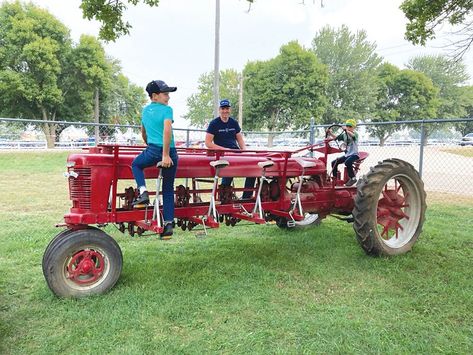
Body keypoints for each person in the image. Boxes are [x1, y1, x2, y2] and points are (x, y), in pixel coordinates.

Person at [131, 80, 179, 238]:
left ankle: (143, 193)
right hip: (169, 151)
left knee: (136, 165)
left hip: (153, 150)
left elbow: (143, 132)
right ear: (155, 96)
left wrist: (149, 144)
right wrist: (165, 154)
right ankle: (168, 225)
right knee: (167, 187)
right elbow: (167, 130)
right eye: (165, 94)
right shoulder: (167, 110)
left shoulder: (145, 111)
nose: (168, 97)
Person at [205, 99, 255, 199]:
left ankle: (246, 197)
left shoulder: (234, 123)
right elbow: (208, 143)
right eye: (223, 108)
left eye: (227, 108)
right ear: (220, 109)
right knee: (227, 173)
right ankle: (225, 197)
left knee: (252, 171)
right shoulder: (214, 124)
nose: (225, 111)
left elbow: (240, 140)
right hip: (223, 155)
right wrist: (223, 149)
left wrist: (244, 151)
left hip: (235, 153)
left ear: (230, 110)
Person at [326, 118, 359, 187]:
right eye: (347, 126)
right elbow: (336, 137)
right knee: (334, 162)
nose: (348, 127)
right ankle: (335, 179)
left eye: (350, 126)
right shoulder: (344, 135)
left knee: (348, 162)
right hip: (347, 155)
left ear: (354, 127)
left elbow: (353, 136)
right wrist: (330, 133)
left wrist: (346, 130)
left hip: (354, 155)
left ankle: (353, 178)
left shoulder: (355, 134)